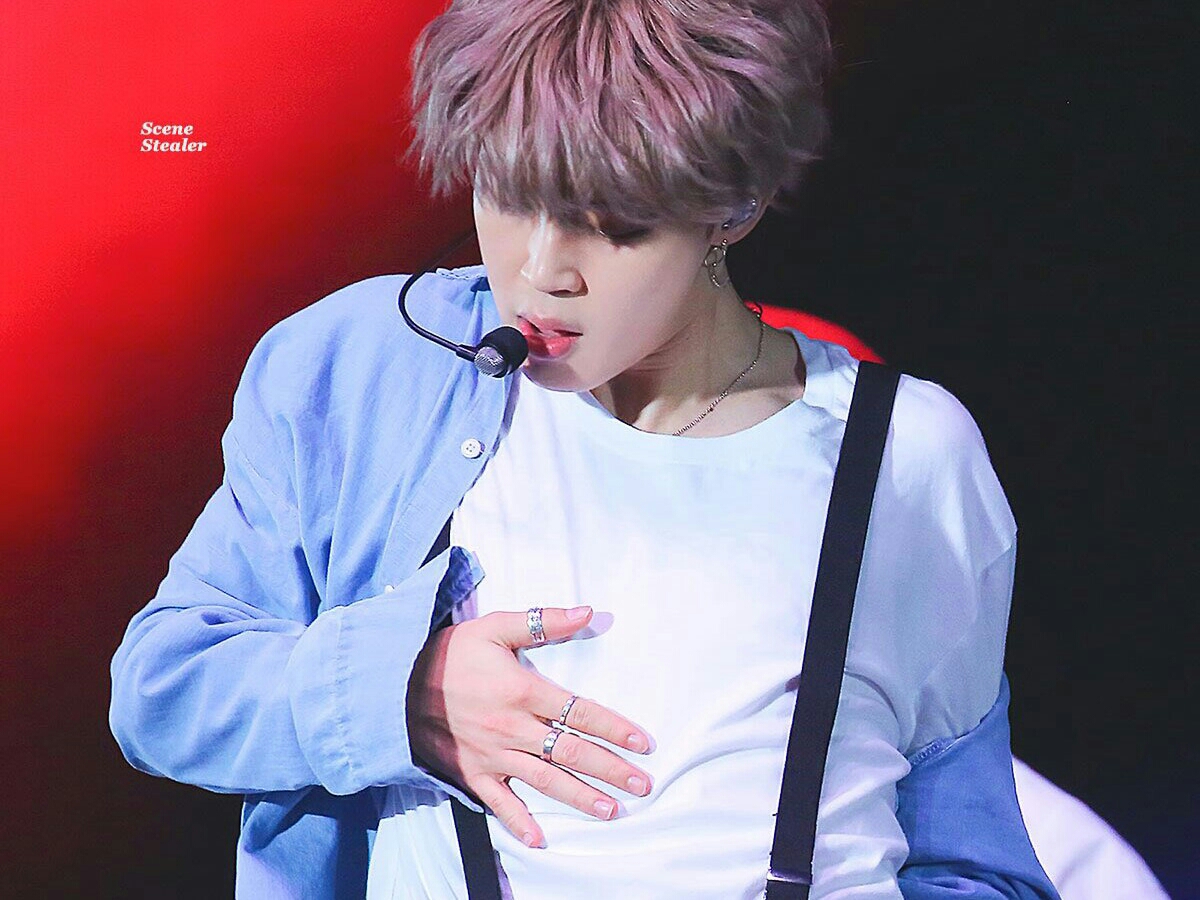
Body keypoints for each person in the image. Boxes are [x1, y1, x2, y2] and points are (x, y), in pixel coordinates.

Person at [109, 1, 1058, 897]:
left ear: (733, 206)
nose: (541, 270)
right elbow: (165, 688)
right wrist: (398, 690)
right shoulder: (368, 370)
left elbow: (971, 857)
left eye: (614, 223)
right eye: (509, 195)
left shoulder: (905, 453)